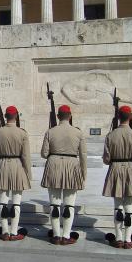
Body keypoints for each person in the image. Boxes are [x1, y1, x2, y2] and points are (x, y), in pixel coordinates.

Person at [41, 105, 87, 245]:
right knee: (69, 205)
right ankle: (66, 236)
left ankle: (56, 235)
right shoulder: (78, 133)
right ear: (70, 116)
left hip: (54, 165)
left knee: (54, 204)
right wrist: (83, 174)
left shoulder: (50, 131)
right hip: (72, 166)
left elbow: (44, 153)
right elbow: (83, 155)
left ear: (58, 116)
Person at [103, 105, 132, 249]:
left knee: (118, 207)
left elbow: (106, 159)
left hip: (115, 169)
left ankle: (119, 238)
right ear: (130, 117)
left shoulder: (110, 135)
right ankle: (128, 239)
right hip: (130, 170)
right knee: (130, 207)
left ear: (118, 118)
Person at [0, 106, 31, 241]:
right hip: (18, 166)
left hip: (3, 165)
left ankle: (4, 231)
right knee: (16, 203)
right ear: (16, 116)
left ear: (5, 116)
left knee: (3, 202)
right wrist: (28, 174)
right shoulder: (22, 133)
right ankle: (14, 232)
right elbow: (26, 156)